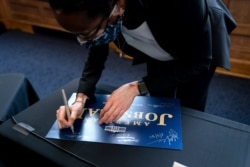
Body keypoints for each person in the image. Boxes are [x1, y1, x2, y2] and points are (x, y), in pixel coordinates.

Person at [48, 0, 236, 129]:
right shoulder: (103, 10)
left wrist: (136, 87)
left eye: (89, 33)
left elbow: (199, 61)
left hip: (195, 45)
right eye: (79, 35)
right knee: (160, 103)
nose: (83, 41)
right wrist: (80, 99)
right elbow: (97, 51)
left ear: (119, 5)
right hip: (156, 47)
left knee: (190, 112)